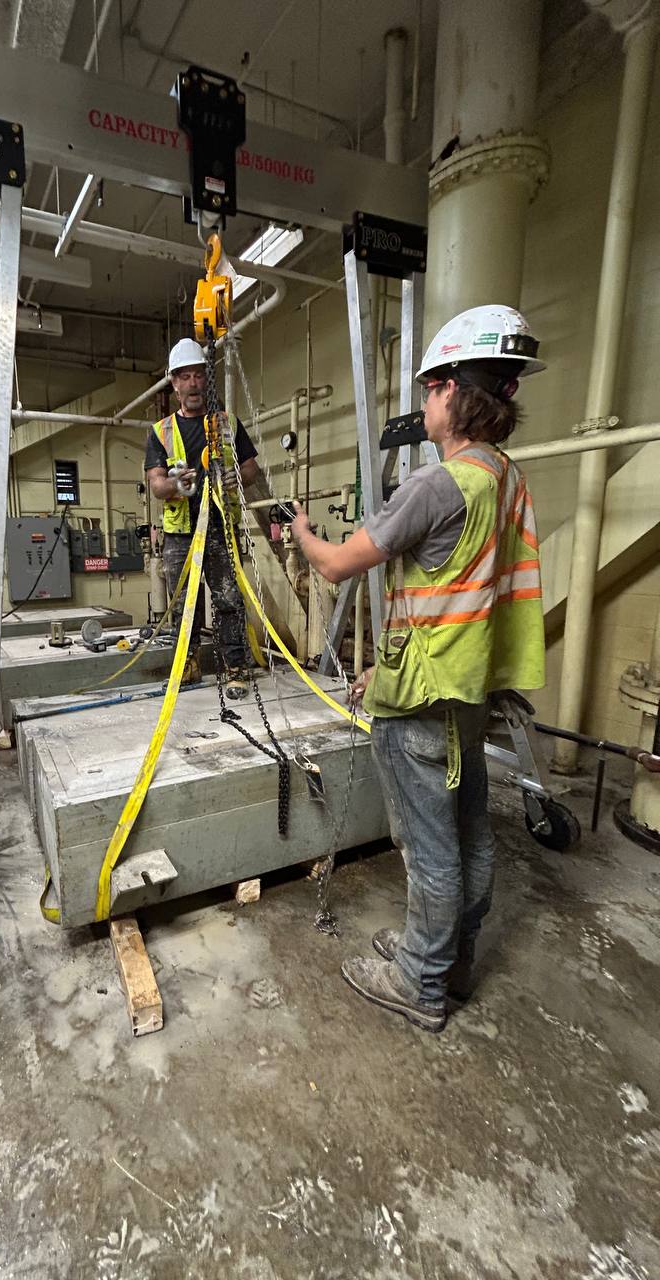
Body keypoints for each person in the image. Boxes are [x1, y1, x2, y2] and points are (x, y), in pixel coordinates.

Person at [292, 305, 546, 1033]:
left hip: (424, 703)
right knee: (469, 835)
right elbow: (458, 597)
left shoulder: (439, 486)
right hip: (469, 688)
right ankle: (450, 960)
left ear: (454, 396)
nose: (425, 403)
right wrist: (385, 672)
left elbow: (340, 565)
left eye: (432, 388)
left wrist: (305, 533)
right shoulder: (506, 478)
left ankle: (419, 982)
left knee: (430, 849)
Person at [145, 338, 260, 699]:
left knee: (228, 600)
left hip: (220, 527)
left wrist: (237, 476)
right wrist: (176, 483)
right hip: (181, 534)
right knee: (184, 606)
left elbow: (251, 467)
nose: (193, 383)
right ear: (174, 383)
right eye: (185, 376)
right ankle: (188, 665)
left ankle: (235, 667)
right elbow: (157, 486)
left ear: (205, 380)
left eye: (198, 375)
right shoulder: (160, 431)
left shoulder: (227, 423)